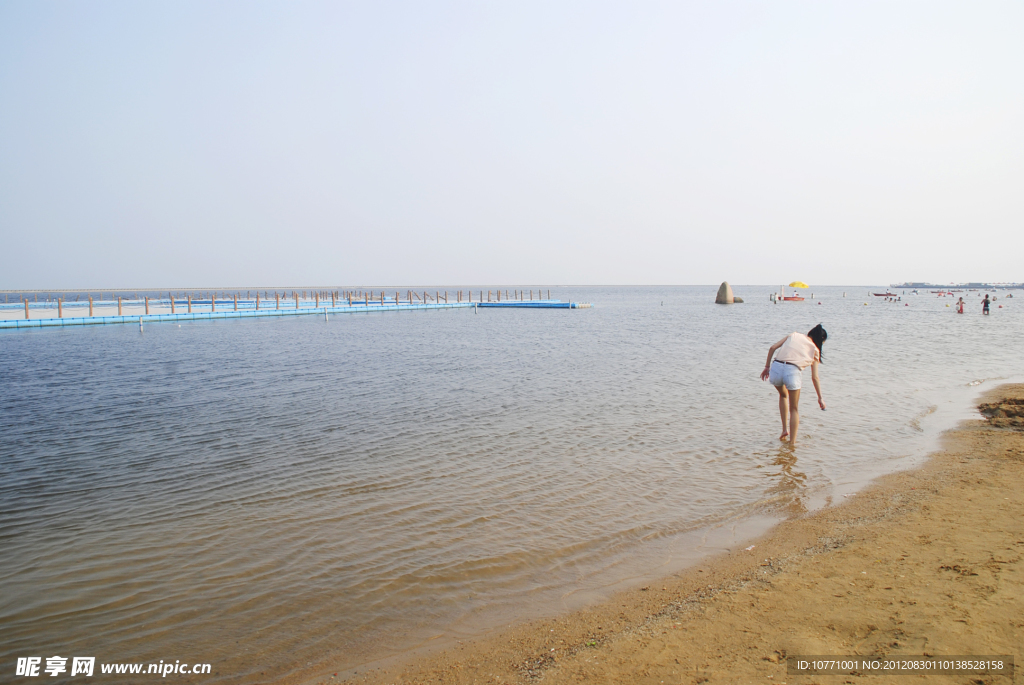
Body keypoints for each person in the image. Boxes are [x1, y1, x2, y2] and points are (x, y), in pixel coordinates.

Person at [760, 324, 827, 444]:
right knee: (794, 409)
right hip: (792, 371)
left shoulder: (794, 335)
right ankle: (792, 444)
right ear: (821, 340)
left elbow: (772, 348)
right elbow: (815, 377)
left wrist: (766, 367)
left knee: (783, 395)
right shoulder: (815, 350)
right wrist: (820, 398)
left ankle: (785, 430)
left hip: (776, 368)